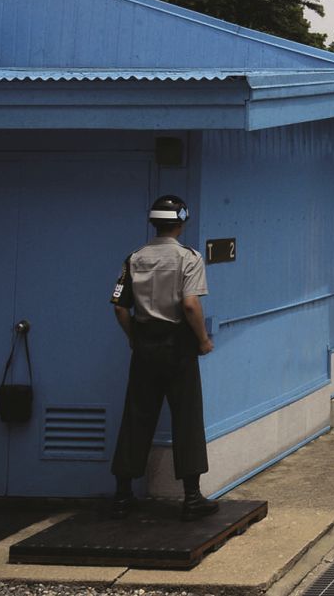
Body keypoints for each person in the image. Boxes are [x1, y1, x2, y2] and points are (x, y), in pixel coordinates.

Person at [108, 193, 219, 521]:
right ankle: (192, 496)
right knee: (186, 417)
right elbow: (190, 304)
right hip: (179, 345)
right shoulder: (189, 258)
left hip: (145, 344)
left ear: (153, 222)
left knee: (136, 414)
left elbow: (119, 306)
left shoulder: (134, 257)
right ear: (182, 221)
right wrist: (202, 339)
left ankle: (123, 494)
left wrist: (133, 337)